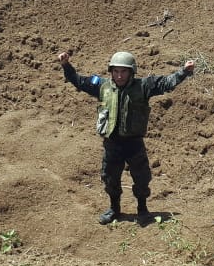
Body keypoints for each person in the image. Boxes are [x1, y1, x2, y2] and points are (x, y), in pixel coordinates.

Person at [58, 50, 196, 224]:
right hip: (112, 144)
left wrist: (184, 71)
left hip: (134, 144)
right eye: (116, 71)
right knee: (110, 178)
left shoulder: (143, 86)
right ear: (111, 71)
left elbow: (165, 83)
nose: (119, 75)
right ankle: (114, 209)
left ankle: (142, 210)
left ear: (131, 72)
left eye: (123, 71)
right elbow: (78, 80)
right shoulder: (102, 86)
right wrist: (66, 65)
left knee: (141, 178)